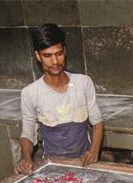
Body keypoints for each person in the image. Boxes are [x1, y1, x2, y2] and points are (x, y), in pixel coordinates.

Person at [17, 24, 103, 174]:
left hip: (84, 162)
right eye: (47, 56)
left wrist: (94, 151)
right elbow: (28, 133)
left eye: (59, 53)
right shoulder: (30, 93)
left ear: (65, 51)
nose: (55, 61)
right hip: (52, 165)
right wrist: (26, 158)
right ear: (38, 56)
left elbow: (97, 123)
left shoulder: (83, 83)